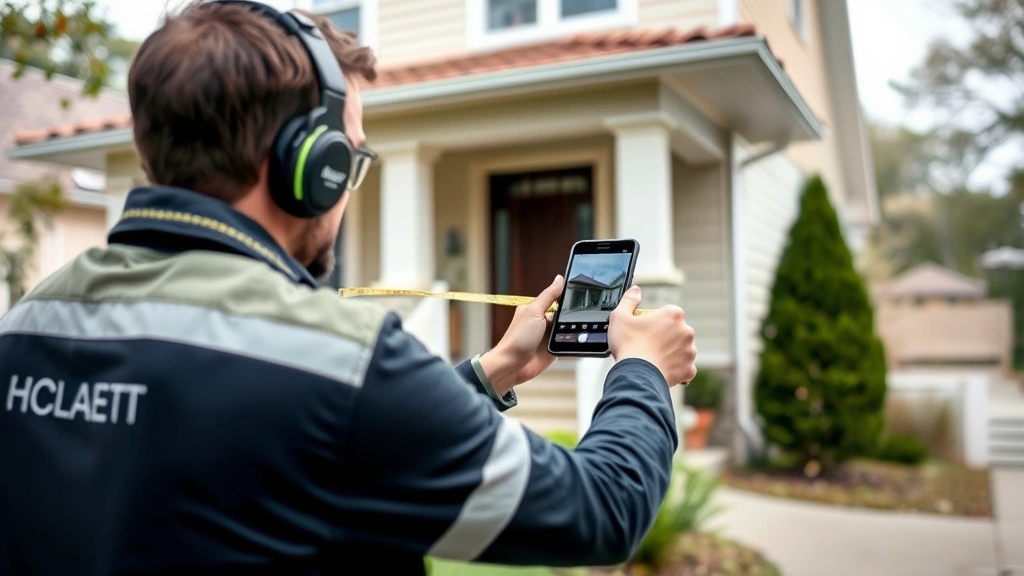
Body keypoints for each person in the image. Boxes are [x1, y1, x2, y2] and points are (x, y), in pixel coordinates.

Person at [0, 1, 698, 574]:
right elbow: (598, 511)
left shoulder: (27, 324)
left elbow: (324, 435)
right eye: (351, 157)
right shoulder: (340, 359)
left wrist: (491, 372)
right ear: (311, 166)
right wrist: (642, 368)